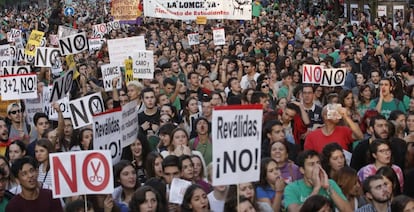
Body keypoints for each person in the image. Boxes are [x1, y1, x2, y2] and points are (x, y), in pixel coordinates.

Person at [283, 150, 352, 211]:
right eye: (311, 164)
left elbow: (348, 210)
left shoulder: (330, 183)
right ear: (302, 170)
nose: (317, 167)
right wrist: (316, 189)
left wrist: (328, 188)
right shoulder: (292, 188)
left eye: (318, 163)